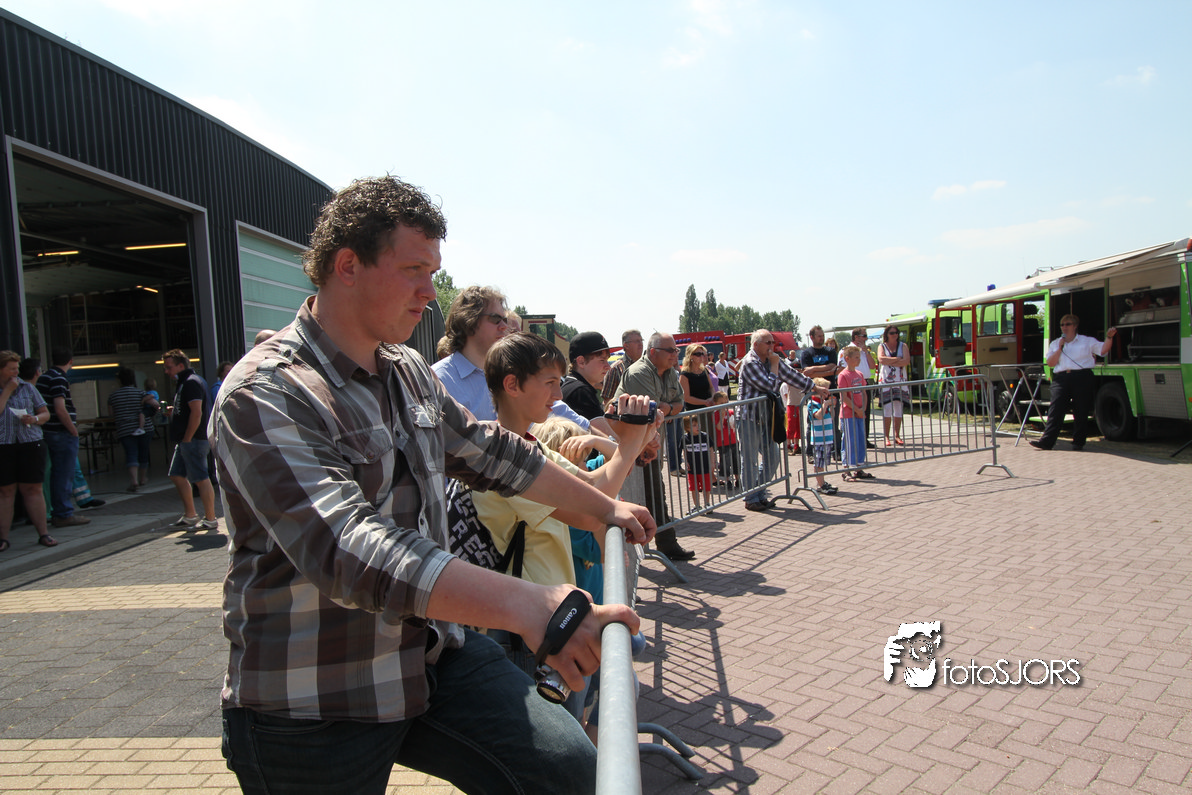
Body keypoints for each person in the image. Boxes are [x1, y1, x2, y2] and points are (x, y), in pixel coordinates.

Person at [211, 176, 655, 795]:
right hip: (312, 699)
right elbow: (347, 548)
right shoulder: (266, 392)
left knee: (567, 772)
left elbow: (492, 452)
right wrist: (531, 604)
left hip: (430, 656)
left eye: (434, 271)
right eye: (414, 270)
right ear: (347, 266)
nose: (430, 292)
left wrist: (604, 507)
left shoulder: (407, 369)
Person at [471, 332, 657, 720]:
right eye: (550, 383)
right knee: (560, 736)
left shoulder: (530, 443)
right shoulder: (498, 457)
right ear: (512, 385)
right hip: (530, 629)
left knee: (579, 718)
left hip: (555, 615)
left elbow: (591, 487)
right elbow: (587, 512)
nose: (558, 395)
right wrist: (629, 444)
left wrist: (636, 437)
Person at [614, 332, 695, 561]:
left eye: (676, 350)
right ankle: (631, 557)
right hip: (629, 448)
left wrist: (666, 408)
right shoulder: (639, 372)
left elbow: (679, 403)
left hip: (648, 445)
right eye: (670, 350)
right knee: (640, 495)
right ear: (653, 352)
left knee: (654, 492)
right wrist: (665, 408)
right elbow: (650, 411)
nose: (675, 354)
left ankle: (662, 545)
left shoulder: (670, 372)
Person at [738, 329, 827, 512]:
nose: (772, 346)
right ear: (756, 345)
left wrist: (814, 387)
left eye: (774, 342)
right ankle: (751, 498)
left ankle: (758, 493)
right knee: (750, 460)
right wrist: (774, 365)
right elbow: (769, 386)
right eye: (768, 343)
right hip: (749, 417)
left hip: (767, 417)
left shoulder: (772, 360)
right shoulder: (750, 363)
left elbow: (792, 375)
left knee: (773, 458)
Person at [1030, 314, 1116, 451]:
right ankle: (1046, 442)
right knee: (1056, 409)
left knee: (1081, 409)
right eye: (1062, 325)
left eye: (1068, 324)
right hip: (1062, 377)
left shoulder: (1086, 341)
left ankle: (1078, 442)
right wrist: (1059, 349)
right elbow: (1051, 363)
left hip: (1082, 376)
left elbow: (1103, 350)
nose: (1064, 327)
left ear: (1075, 326)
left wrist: (1109, 337)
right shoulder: (1056, 343)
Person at [0, 351, 57, 551]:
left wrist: (35, 419)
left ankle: (44, 534)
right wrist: (7, 391)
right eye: (11, 369)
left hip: (30, 442)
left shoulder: (28, 388)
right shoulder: (8, 388)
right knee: (5, 491)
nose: (16, 373)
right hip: (4, 445)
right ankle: (3, 538)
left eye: (17, 368)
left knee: (33, 488)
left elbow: (45, 413)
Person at [433, 285, 511, 421]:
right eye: (495, 319)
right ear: (469, 321)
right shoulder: (439, 380)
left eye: (505, 320)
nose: (504, 326)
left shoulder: (509, 375)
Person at [163, 349, 217, 531]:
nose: (167, 371)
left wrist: (187, 437)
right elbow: (190, 409)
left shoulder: (190, 382)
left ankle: (210, 518)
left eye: (169, 367)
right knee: (176, 475)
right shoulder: (186, 382)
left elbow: (197, 412)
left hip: (193, 439)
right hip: (187, 439)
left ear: (180, 366)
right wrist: (175, 411)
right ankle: (190, 515)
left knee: (201, 478)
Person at [35, 346, 89, 528]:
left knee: (55, 473)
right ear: (70, 361)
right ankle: (63, 513)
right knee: (64, 473)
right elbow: (60, 408)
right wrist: (73, 429)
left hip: (48, 431)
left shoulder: (44, 377)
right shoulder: (59, 378)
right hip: (61, 432)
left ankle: (55, 510)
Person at [107, 367, 153, 492]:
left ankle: (134, 481)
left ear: (119, 381)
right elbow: (154, 404)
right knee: (143, 454)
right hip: (145, 428)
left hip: (125, 428)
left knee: (131, 454)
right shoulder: (141, 393)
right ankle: (143, 478)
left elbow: (111, 414)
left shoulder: (113, 396)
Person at [560, 331, 615, 433]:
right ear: (581, 361)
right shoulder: (580, 391)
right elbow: (609, 438)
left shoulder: (574, 385)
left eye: (607, 360)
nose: (608, 366)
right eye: (602, 360)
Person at [837, 345, 873, 482]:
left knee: (860, 440)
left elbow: (864, 392)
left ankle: (858, 468)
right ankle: (846, 469)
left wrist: (863, 408)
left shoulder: (859, 374)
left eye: (859, 357)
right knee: (849, 441)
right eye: (856, 357)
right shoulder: (843, 375)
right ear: (847, 359)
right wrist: (856, 409)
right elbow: (844, 397)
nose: (858, 360)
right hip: (848, 414)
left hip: (860, 413)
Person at [842, 328, 877, 449]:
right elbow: (842, 368)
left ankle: (864, 438)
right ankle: (854, 440)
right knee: (853, 412)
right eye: (864, 336)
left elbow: (873, 366)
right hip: (851, 384)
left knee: (865, 412)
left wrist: (866, 352)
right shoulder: (847, 350)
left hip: (864, 382)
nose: (866, 338)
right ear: (856, 337)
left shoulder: (864, 351)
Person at [877, 325, 911, 445]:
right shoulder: (882, 346)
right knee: (887, 408)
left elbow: (906, 361)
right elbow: (881, 359)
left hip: (900, 381)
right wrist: (897, 359)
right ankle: (886, 436)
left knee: (898, 408)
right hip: (886, 381)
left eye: (896, 332)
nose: (895, 335)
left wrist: (890, 361)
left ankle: (897, 435)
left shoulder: (903, 346)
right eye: (892, 333)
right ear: (887, 334)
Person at [806, 378, 839, 495]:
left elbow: (832, 416)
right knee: (819, 463)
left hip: (827, 437)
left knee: (823, 463)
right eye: (824, 391)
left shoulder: (823, 403)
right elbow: (818, 416)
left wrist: (831, 406)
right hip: (819, 438)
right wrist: (825, 404)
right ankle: (821, 484)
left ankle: (822, 482)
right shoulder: (812, 403)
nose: (827, 394)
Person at [601, 329, 644, 406]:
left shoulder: (647, 366)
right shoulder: (615, 369)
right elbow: (607, 399)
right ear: (626, 345)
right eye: (637, 341)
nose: (640, 344)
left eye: (641, 340)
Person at [711, 391, 740, 488]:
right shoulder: (715, 414)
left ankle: (738, 479)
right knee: (725, 461)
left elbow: (735, 425)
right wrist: (722, 415)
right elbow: (719, 427)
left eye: (725, 402)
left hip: (734, 440)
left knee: (736, 460)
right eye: (721, 403)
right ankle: (727, 480)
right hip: (723, 442)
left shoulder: (731, 412)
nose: (724, 405)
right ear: (716, 404)